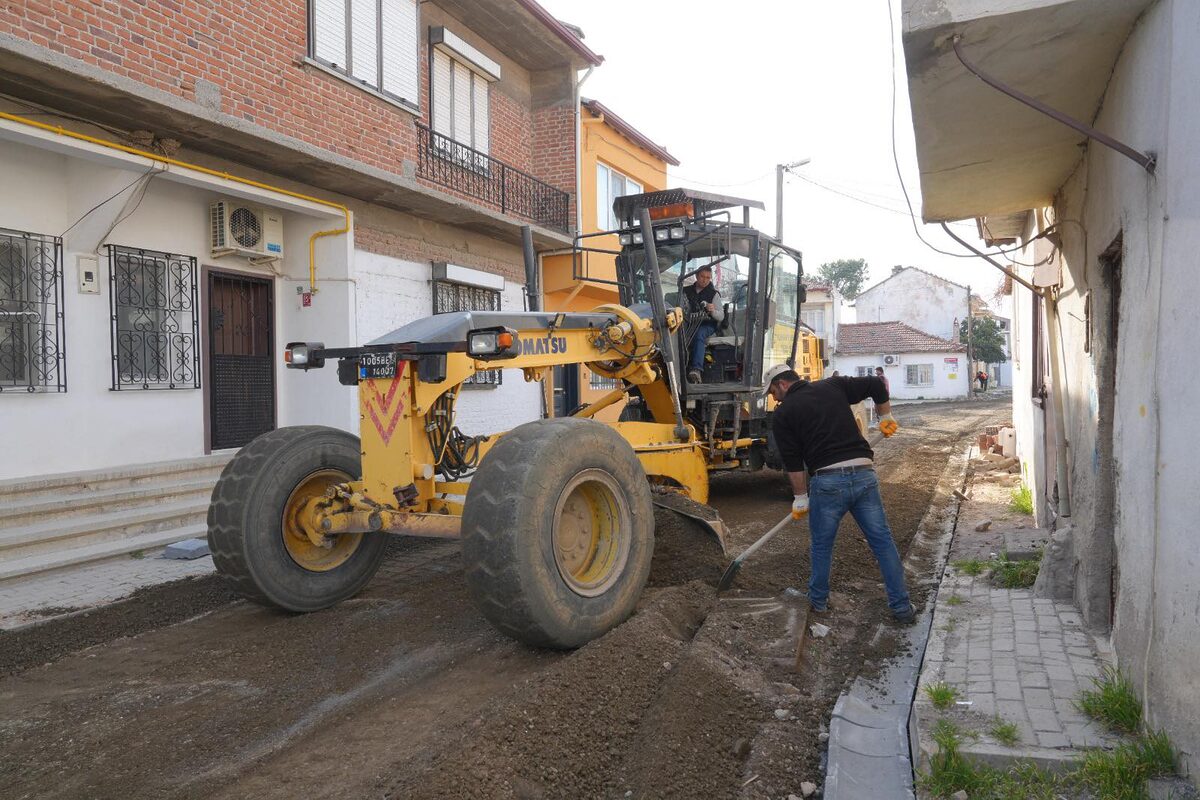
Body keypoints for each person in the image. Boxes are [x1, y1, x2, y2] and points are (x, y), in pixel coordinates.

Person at [764, 364, 916, 623]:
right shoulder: (831, 386)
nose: (773, 398)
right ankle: (902, 608)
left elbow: (792, 461)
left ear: (782, 384)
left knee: (822, 547)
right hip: (864, 474)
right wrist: (885, 416)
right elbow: (877, 385)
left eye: (772, 392)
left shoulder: (784, 413)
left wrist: (800, 496)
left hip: (828, 481)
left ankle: (819, 603)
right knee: (882, 543)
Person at [683, 265, 724, 383]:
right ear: (696, 276)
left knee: (699, 334)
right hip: (688, 323)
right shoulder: (685, 291)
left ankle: (696, 369)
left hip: (707, 325)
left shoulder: (714, 294)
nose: (704, 280)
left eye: (708, 277)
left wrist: (712, 311)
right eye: (702, 276)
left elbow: (721, 316)